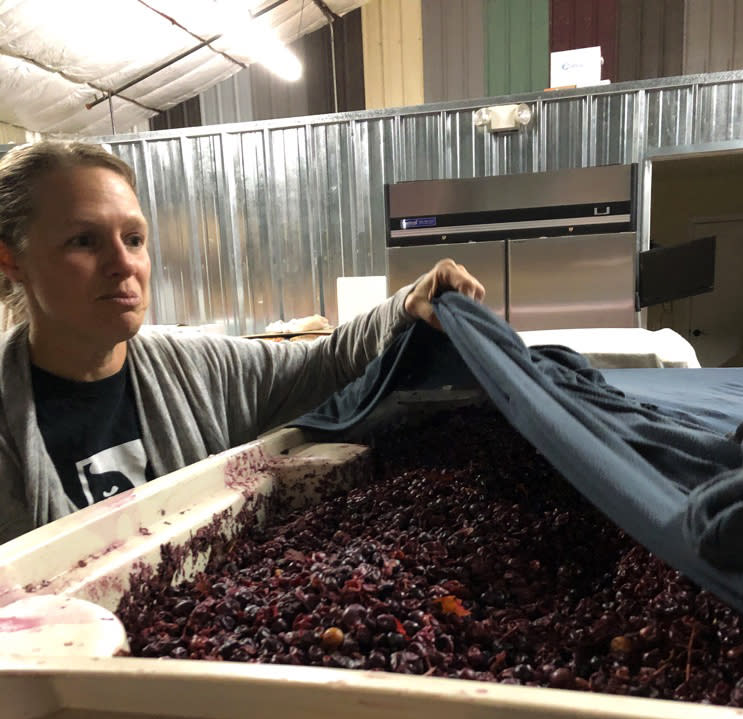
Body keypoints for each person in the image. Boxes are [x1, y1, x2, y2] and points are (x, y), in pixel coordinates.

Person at [0, 141, 485, 544]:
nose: (123, 264)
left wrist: (406, 305)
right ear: (11, 260)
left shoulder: (197, 370)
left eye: (134, 238)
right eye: (83, 241)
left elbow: (325, 364)